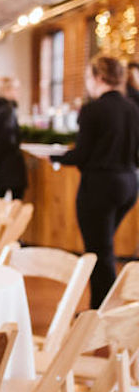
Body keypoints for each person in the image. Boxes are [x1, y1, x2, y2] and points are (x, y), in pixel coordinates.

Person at [51, 56, 139, 307]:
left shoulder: (93, 110)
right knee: (104, 248)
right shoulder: (133, 107)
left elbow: (82, 154)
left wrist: (56, 156)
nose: (88, 83)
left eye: (89, 77)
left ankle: (104, 315)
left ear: (99, 78)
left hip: (100, 187)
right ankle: (97, 308)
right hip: (129, 184)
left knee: (98, 253)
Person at [0, 76, 27, 200]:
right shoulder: (8, 109)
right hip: (10, 162)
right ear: (7, 90)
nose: (18, 92)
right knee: (16, 200)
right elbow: (7, 138)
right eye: (16, 89)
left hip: (0, 162)